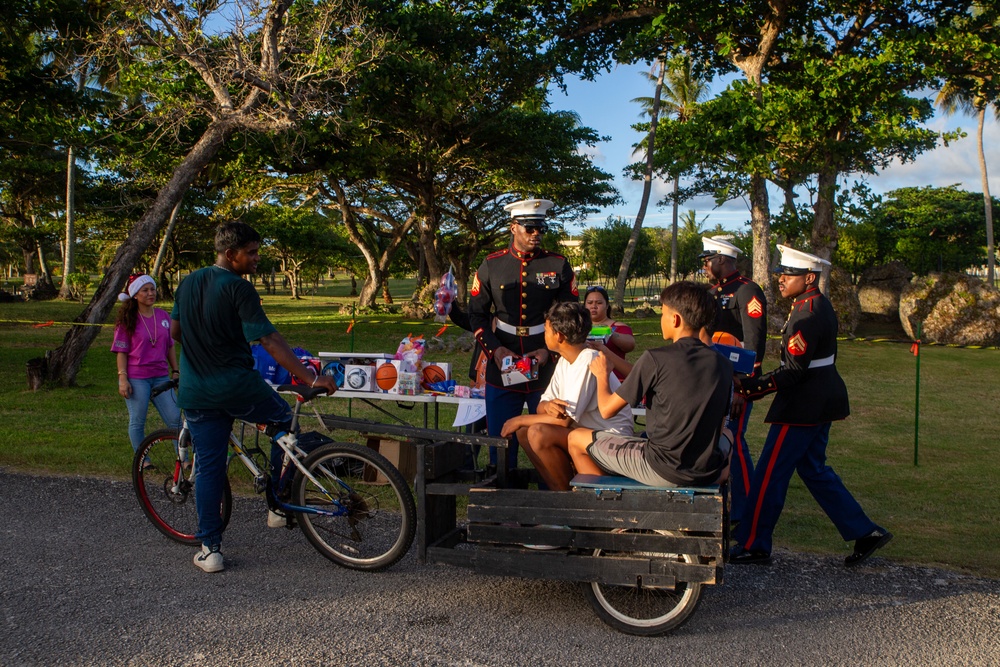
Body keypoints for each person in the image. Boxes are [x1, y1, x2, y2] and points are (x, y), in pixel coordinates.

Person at [171, 221, 338, 573]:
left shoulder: (186, 283)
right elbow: (271, 341)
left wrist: (201, 353)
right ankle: (277, 507)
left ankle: (210, 550)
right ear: (231, 254)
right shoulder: (239, 288)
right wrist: (310, 377)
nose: (257, 258)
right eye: (252, 252)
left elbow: (175, 331)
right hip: (238, 386)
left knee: (209, 467)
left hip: (196, 391)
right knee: (282, 424)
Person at [730, 245, 892, 567]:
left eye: (788, 275)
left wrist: (748, 389)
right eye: (780, 274)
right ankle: (865, 532)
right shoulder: (816, 304)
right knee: (814, 470)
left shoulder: (806, 313)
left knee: (769, 474)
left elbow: (793, 371)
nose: (780, 279)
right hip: (821, 400)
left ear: (809, 277)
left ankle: (754, 544)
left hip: (802, 406)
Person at [565, 281, 732, 488]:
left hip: (661, 467)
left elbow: (607, 410)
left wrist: (602, 374)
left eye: (663, 314)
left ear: (676, 319)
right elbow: (722, 423)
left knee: (576, 438)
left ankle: (603, 507)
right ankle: (722, 479)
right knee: (728, 434)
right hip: (707, 470)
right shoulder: (723, 364)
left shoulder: (655, 358)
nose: (661, 320)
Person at [468, 198, 578, 470]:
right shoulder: (492, 265)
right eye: (530, 229)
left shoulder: (558, 264)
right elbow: (477, 315)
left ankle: (549, 493)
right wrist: (495, 351)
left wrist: (548, 351)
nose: (536, 234)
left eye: (541, 229)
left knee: (549, 436)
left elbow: (571, 314)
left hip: (546, 363)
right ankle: (503, 491)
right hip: (502, 361)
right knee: (502, 438)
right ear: (513, 227)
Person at [502, 302, 633, 491]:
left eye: (546, 330)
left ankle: (564, 496)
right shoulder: (565, 361)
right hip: (583, 432)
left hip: (610, 438)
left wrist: (519, 419)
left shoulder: (588, 358)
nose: (543, 335)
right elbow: (543, 405)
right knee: (524, 432)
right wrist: (548, 406)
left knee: (536, 432)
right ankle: (560, 490)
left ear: (559, 336)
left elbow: (565, 421)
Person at [699, 235, 768, 523]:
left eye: (708, 260)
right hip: (715, 378)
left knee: (735, 443)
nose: (704, 265)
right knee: (718, 441)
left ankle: (748, 513)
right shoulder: (713, 292)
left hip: (737, 383)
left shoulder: (747, 290)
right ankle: (728, 506)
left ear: (722, 260)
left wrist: (744, 386)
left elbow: (754, 343)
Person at [111, 274, 181, 462]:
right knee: (138, 420)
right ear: (135, 294)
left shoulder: (163, 316)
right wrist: (123, 378)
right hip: (137, 377)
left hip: (160, 376)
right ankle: (143, 460)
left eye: (152, 289)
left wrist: (175, 370)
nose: (151, 293)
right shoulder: (128, 320)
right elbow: (121, 351)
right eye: (145, 290)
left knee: (175, 418)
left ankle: (182, 459)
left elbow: (170, 346)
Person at [583, 285, 635, 381]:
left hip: (615, 380)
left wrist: (609, 333)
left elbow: (630, 345)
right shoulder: (579, 327)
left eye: (599, 303)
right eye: (590, 303)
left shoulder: (618, 327)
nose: (594, 306)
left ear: (607, 305)